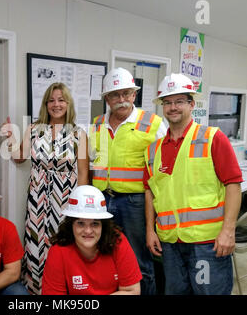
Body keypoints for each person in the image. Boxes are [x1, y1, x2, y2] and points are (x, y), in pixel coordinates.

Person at [144, 73, 242, 295]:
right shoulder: (153, 149)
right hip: (170, 243)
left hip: (207, 244)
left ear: (191, 104)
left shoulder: (212, 138)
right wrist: (150, 230)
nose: (172, 107)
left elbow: (233, 185)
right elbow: (150, 191)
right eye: (167, 102)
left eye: (179, 101)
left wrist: (228, 231)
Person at [0, 82, 89, 294]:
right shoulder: (34, 129)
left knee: (63, 244)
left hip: (66, 200)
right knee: (36, 243)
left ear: (68, 104)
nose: (56, 104)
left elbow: (83, 172)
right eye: (51, 100)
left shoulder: (79, 133)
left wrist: (81, 208)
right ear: (45, 104)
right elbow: (20, 157)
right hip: (38, 198)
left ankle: (61, 290)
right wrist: (10, 138)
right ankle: (35, 290)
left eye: (61, 100)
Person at [88, 67, 166, 295]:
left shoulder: (152, 123)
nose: (121, 99)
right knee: (107, 258)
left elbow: (164, 168)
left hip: (135, 203)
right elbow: (94, 162)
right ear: (107, 98)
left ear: (134, 95)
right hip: (102, 201)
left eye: (126, 93)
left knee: (139, 261)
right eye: (115, 94)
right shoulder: (97, 123)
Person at [42, 185, 142, 295]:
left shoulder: (117, 241)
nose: (88, 231)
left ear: (103, 226)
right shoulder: (58, 251)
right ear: (71, 225)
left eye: (95, 224)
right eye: (81, 223)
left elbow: (132, 291)